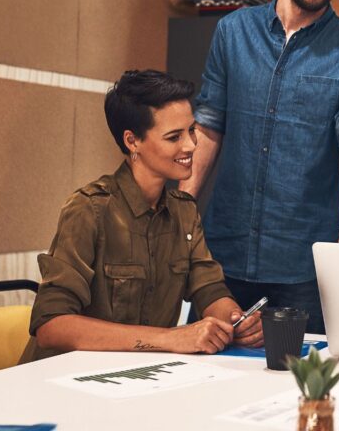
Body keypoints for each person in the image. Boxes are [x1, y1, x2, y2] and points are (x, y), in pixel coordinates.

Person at [180, 0, 339, 334]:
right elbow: (209, 123)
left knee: (297, 386)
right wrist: (180, 207)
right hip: (222, 255)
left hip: (303, 268)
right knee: (208, 378)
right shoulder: (232, 32)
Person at [23, 70, 262, 362]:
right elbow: (51, 325)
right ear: (132, 141)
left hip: (139, 378)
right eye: (174, 136)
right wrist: (169, 338)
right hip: (59, 383)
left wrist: (237, 321)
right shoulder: (89, 209)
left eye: (191, 131)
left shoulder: (184, 212)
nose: (190, 145)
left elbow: (210, 290)